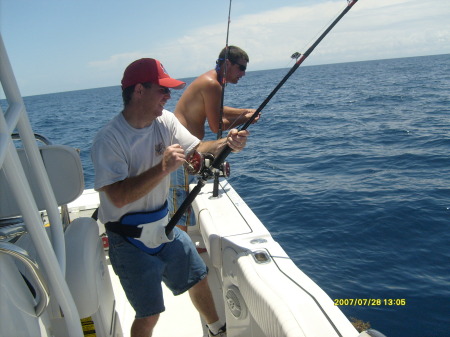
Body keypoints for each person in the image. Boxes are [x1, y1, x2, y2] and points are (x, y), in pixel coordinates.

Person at [91, 58, 249, 337]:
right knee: (150, 315)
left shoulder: (165, 121)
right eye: (162, 90)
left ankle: (216, 329)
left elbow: (199, 148)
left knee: (198, 277)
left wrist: (228, 143)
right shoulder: (109, 139)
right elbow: (117, 197)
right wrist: (162, 168)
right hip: (128, 240)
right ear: (139, 90)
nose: (169, 95)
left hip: (165, 226)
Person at [169, 46, 258, 231]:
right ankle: (180, 249)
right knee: (180, 199)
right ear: (227, 64)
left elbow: (217, 109)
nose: (243, 73)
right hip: (180, 148)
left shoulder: (212, 80)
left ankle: (182, 244)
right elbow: (216, 125)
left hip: (185, 145)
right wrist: (245, 118)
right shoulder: (213, 84)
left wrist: (246, 112)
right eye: (241, 68)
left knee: (181, 196)